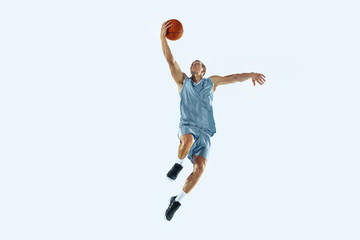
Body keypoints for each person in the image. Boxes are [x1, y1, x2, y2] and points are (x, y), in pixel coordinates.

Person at [161, 20, 266, 221]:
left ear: (203, 71)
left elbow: (234, 77)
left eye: (198, 63)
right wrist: (161, 37)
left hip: (205, 133)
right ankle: (177, 164)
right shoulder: (183, 81)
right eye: (192, 62)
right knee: (188, 140)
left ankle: (177, 201)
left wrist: (251, 74)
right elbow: (170, 60)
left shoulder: (211, 83)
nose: (194, 63)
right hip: (187, 127)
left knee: (199, 169)